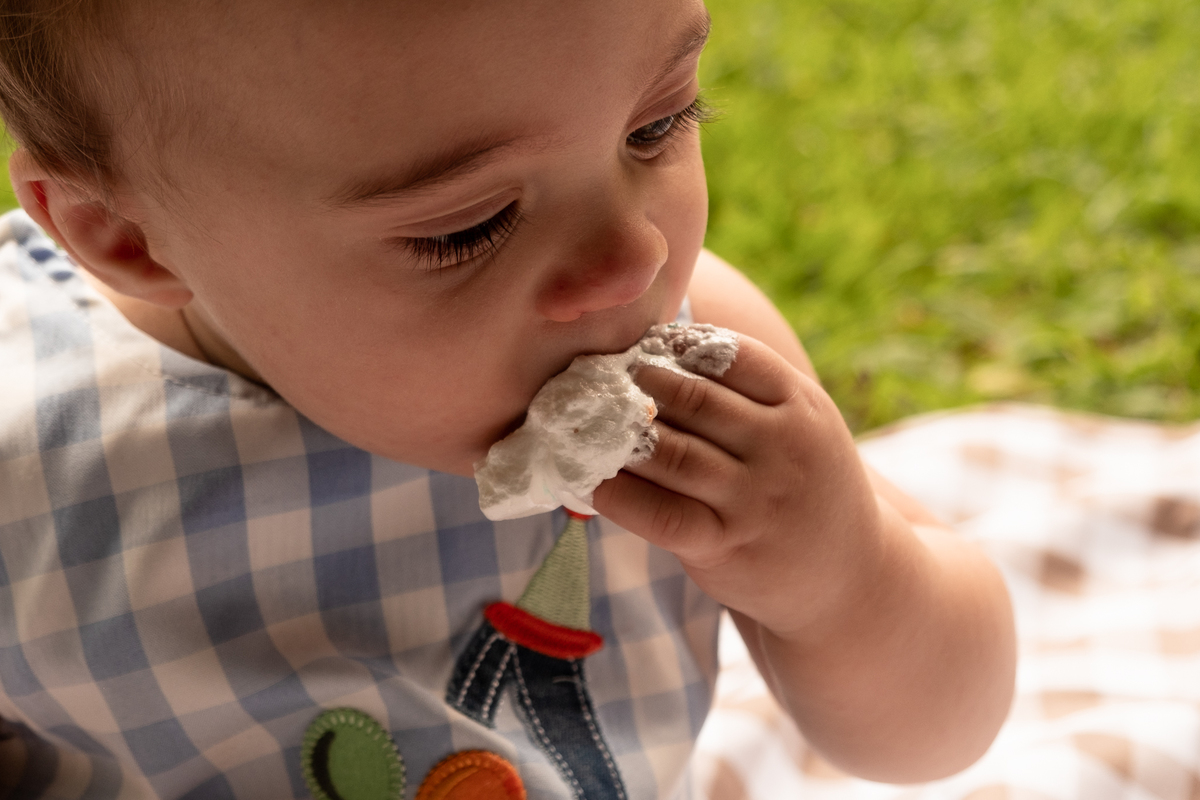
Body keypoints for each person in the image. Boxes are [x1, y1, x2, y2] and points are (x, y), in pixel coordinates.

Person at [0, 1, 1016, 797]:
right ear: (125, 235)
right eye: (470, 227)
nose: (635, 260)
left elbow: (931, 735)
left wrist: (844, 577)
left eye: (657, 126)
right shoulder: (30, 449)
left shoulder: (703, 363)